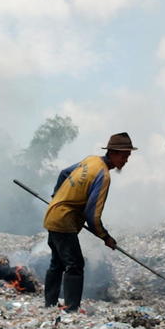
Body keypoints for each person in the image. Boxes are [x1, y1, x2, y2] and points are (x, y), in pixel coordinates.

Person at [42, 132, 137, 311]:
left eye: (128, 156)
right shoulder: (103, 176)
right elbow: (92, 215)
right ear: (114, 153)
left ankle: (50, 304)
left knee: (58, 262)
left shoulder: (90, 160)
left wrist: (56, 196)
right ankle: (71, 309)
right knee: (75, 264)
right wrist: (106, 237)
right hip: (64, 221)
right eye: (124, 156)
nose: (126, 160)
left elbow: (64, 173)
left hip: (53, 215)